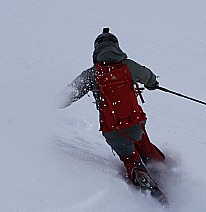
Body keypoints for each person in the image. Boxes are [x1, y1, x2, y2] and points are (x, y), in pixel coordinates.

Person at [61, 28, 165, 185]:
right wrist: (154, 84)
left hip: (111, 128)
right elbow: (148, 77)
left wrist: (50, 103)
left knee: (128, 155)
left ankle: (138, 172)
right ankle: (164, 170)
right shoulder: (129, 66)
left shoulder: (92, 74)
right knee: (144, 144)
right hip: (135, 122)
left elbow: (71, 93)